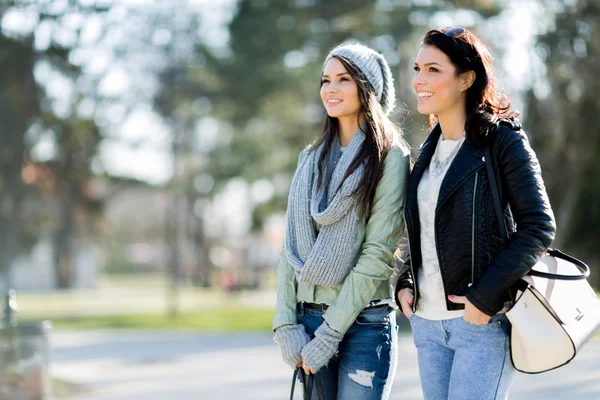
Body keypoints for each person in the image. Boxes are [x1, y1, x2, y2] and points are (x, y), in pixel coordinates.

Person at [395, 27, 556, 399]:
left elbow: (538, 226)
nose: (419, 80)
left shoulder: (503, 141)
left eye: (433, 70)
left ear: (467, 78)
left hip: (480, 325)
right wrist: (406, 279)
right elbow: (423, 227)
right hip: (428, 326)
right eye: (417, 69)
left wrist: (484, 298)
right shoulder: (426, 151)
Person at [272, 43, 410, 400]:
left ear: (368, 88)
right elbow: (290, 248)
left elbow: (378, 254)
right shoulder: (310, 158)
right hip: (308, 320)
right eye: (325, 80)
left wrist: (331, 334)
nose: (330, 89)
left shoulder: (390, 158)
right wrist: (286, 325)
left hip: (364, 325)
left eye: (343, 79)